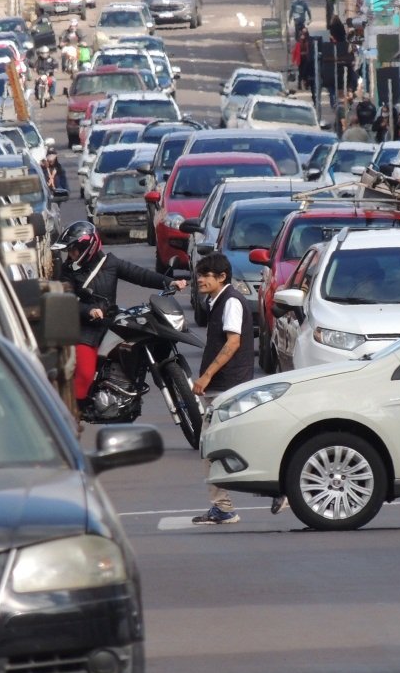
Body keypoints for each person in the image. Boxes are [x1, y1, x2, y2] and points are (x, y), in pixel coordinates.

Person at [56, 221, 186, 409]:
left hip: (112, 322)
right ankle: (72, 413)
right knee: (84, 373)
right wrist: (89, 310)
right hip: (85, 329)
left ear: (87, 247)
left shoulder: (110, 262)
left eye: (74, 250)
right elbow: (66, 299)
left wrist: (170, 283)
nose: (71, 254)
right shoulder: (67, 272)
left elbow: (140, 275)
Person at [190, 251, 254, 525]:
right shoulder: (217, 301)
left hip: (228, 387)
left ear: (222, 277)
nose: (200, 280)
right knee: (225, 446)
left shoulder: (231, 302)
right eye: (199, 275)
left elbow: (232, 343)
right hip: (225, 386)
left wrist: (206, 376)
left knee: (211, 446)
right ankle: (280, 488)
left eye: (206, 276)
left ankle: (224, 507)